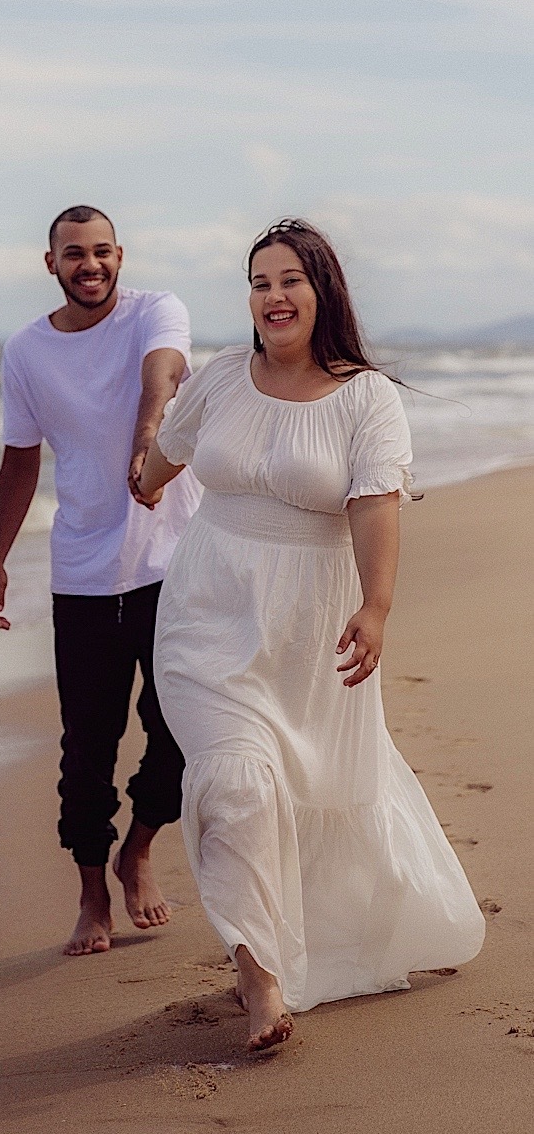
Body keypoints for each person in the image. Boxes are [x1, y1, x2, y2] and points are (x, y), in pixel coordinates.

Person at [136, 218, 485, 1051]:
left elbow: (373, 503)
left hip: (309, 627)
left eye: (289, 279)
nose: (272, 295)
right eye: (258, 282)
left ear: (321, 290)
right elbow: (158, 465)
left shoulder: (366, 396)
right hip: (203, 614)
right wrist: (138, 460)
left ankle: (334, 936)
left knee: (313, 782)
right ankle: (258, 978)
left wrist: (377, 606)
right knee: (233, 784)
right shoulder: (222, 377)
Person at [0, 205, 202, 956]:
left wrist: (147, 443)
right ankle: (90, 890)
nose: (91, 265)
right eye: (74, 254)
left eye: (102, 251)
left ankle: (138, 851)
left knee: (176, 730)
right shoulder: (26, 352)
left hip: (174, 561)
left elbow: (160, 379)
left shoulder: (155, 313)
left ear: (120, 255)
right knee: (86, 748)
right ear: (51, 264)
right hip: (81, 573)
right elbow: (19, 457)